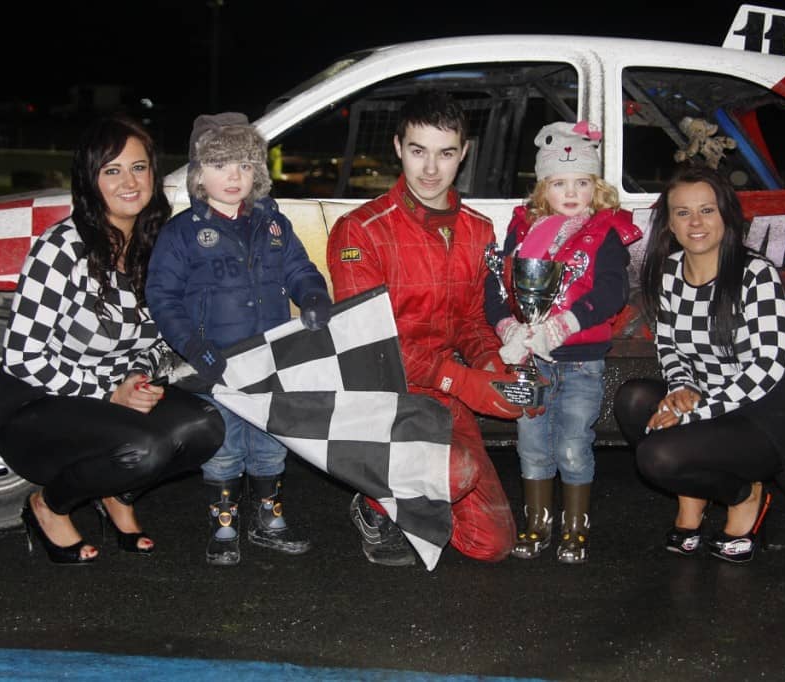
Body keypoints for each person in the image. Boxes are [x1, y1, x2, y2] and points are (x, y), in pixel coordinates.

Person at [0, 115, 225, 566]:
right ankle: (50, 505)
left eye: (138, 167)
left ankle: (117, 491)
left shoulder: (159, 247)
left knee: (205, 427)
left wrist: (141, 376)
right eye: (111, 171)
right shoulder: (62, 248)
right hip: (36, 403)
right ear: (90, 179)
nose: (129, 182)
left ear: (154, 173)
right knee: (145, 448)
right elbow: (23, 358)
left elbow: (168, 339)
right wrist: (108, 391)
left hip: (112, 394)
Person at [327, 89, 532, 567]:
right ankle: (375, 499)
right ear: (398, 147)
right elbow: (367, 346)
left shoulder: (478, 228)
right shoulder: (361, 229)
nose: (431, 169)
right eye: (418, 151)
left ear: (464, 152)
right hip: (383, 393)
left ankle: (410, 492)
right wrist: (462, 379)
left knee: (492, 544)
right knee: (454, 474)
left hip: (442, 393)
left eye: (445, 153)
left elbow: (472, 320)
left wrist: (492, 365)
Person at [146, 112, 332, 566]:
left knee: (270, 443)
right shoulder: (182, 234)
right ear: (197, 175)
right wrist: (192, 345)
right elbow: (163, 297)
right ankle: (224, 524)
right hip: (218, 364)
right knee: (225, 447)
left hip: (269, 360)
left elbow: (297, 267)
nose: (233, 176)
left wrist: (311, 293)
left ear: (258, 174)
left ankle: (269, 519)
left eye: (245, 165)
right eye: (220, 164)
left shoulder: (273, 224)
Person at [612, 164, 785, 564]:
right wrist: (679, 389)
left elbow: (767, 366)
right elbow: (671, 348)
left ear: (726, 216)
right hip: (704, 405)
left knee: (656, 457)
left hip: (757, 417)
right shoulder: (668, 274)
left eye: (707, 210)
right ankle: (691, 503)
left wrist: (695, 412)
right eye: (683, 213)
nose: (695, 222)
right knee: (632, 400)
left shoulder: (756, 274)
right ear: (670, 226)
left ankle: (745, 495)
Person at [485, 121, 642, 564]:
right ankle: (538, 523)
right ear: (543, 188)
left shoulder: (605, 232)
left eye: (581, 182)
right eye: (559, 183)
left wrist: (566, 324)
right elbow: (498, 288)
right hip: (530, 360)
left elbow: (612, 292)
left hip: (580, 361)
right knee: (531, 443)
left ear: (596, 186)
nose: (571, 192)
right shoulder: (521, 231)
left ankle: (576, 527)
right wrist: (507, 328)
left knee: (574, 444)